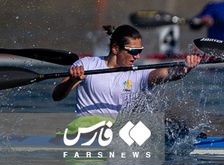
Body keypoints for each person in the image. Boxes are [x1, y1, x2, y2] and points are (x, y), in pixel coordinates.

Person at [52, 24, 201, 121]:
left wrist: (185, 69)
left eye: (139, 51)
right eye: (133, 51)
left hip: (120, 138)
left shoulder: (140, 74)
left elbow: (166, 74)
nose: (137, 56)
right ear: (115, 49)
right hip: (88, 134)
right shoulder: (86, 65)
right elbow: (57, 96)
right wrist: (72, 80)